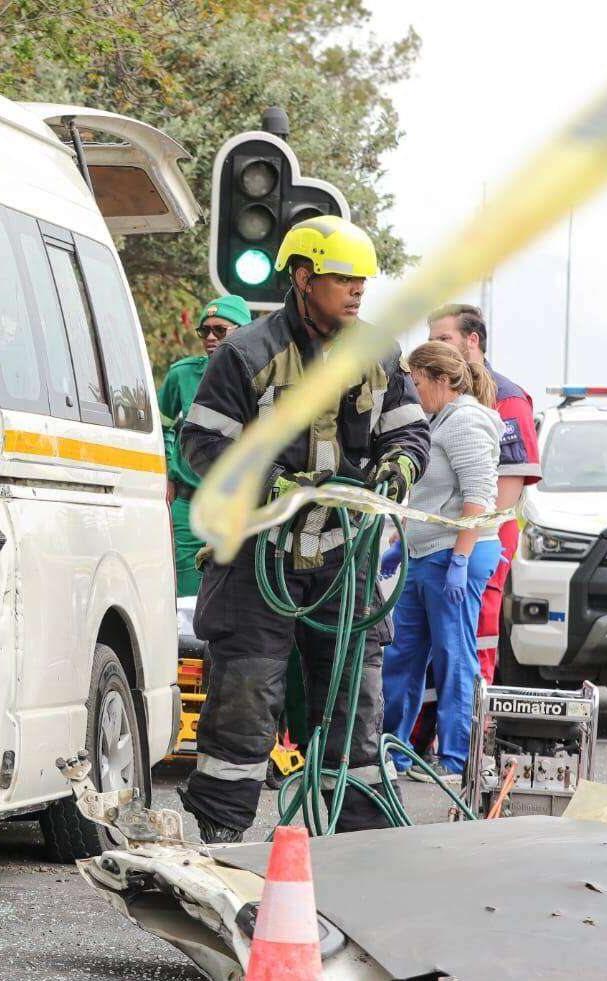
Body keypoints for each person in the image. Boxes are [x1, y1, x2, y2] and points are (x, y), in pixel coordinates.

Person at [176, 216, 431, 842]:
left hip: (345, 562)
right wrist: (269, 487)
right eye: (343, 278)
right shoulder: (247, 354)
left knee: (354, 706)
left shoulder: (376, 353)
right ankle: (221, 839)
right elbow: (201, 443)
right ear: (303, 277)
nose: (357, 291)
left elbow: (408, 430)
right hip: (259, 560)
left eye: (362, 281)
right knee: (244, 698)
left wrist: (400, 466)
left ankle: (360, 844)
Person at [379, 342, 503, 785]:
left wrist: (461, 559)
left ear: (441, 380)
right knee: (401, 655)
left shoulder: (466, 421)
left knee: (453, 656)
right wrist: (403, 545)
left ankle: (455, 759)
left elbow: (479, 498)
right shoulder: (435, 420)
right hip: (424, 553)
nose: (411, 389)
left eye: (416, 380)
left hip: (457, 554)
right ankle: (394, 750)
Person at [426, 304, 541, 680]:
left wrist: (469, 546)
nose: (436, 347)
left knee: (476, 637)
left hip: (481, 537)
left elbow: (503, 494)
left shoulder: (506, 399)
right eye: (431, 341)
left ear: (472, 340)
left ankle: (475, 726)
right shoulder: (433, 395)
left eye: (444, 339)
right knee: (433, 643)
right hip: (442, 537)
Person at [160, 294, 252, 597]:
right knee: (187, 599)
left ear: (243, 330)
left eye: (220, 330)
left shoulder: (262, 375)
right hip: (190, 506)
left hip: (239, 507)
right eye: (205, 331)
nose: (211, 337)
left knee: (238, 598)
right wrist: (168, 472)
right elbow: (160, 427)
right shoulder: (182, 374)